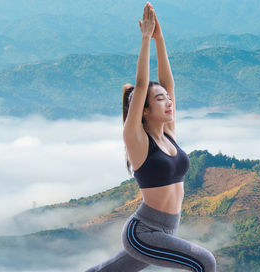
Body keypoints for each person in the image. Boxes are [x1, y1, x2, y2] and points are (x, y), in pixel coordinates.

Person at [86, 3, 216, 271]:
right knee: (204, 262)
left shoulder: (168, 134)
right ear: (144, 110)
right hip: (143, 233)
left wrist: (160, 38)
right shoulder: (137, 140)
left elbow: (169, 84)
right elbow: (142, 84)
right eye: (160, 100)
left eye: (168, 99)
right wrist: (145, 39)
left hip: (165, 231)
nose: (169, 102)